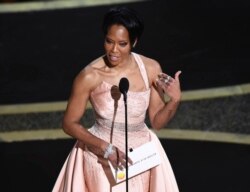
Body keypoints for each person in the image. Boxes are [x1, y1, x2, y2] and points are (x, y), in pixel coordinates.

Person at [52, 6, 181, 192]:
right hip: (102, 160)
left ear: (134, 42)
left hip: (142, 158)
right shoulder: (89, 76)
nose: (113, 50)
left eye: (122, 44)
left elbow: (157, 122)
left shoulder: (151, 68)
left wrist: (174, 101)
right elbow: (69, 124)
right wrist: (105, 147)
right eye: (109, 41)